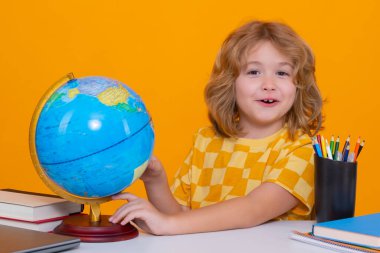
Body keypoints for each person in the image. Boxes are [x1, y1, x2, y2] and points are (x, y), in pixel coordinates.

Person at [109, 20, 323, 235]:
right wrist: (156, 180)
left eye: (282, 73)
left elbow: (253, 209)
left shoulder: (302, 151)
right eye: (254, 72)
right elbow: (181, 217)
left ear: (298, 86)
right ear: (230, 83)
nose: (269, 84)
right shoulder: (206, 141)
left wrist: (167, 225)